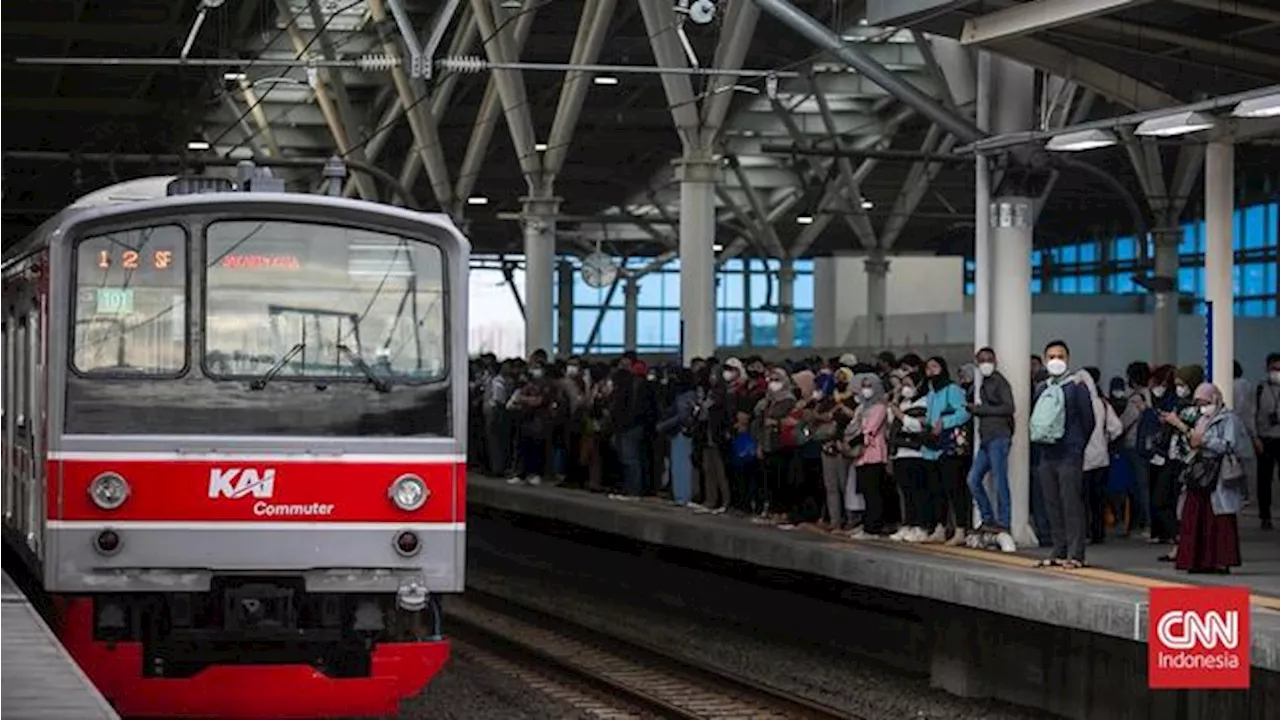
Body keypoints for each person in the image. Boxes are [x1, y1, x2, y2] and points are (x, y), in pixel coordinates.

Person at [1168, 383, 1248, 574]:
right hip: (1200, 474)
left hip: (1219, 475)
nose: (1202, 406)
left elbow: (1230, 445)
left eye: (1205, 402)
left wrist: (1203, 440)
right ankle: (1197, 560)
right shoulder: (1201, 419)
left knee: (1219, 519)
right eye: (1199, 402)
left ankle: (1220, 561)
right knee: (1196, 516)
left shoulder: (1229, 419)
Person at [1030, 340, 1096, 569]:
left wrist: (1077, 445)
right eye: (1051, 356)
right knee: (1052, 504)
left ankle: (1076, 554)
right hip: (1047, 454)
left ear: (1068, 359)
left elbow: (1089, 420)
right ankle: (1059, 550)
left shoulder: (1077, 386)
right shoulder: (1042, 388)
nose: (1055, 360)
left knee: (1071, 503)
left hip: (1069, 453)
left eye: (1060, 356)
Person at [921, 356, 972, 545]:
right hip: (933, 446)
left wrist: (945, 422)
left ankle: (960, 529)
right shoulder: (931, 393)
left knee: (954, 488)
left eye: (935, 366)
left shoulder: (952, 390)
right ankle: (940, 527)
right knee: (936, 489)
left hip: (949, 446)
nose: (931, 370)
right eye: (928, 367)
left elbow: (964, 412)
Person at [966, 347, 1015, 532]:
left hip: (999, 437)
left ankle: (1004, 522)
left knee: (1000, 479)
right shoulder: (984, 383)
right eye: (982, 360)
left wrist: (980, 410)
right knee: (973, 479)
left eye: (989, 359)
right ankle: (988, 519)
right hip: (987, 439)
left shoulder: (999, 382)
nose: (986, 363)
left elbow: (1009, 407)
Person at [1255, 353, 1280, 530]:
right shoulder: (1260, 389)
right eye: (1274, 369)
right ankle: (1265, 516)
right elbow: (1252, 414)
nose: (1276, 372)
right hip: (1265, 439)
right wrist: (1255, 437)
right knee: (1264, 479)